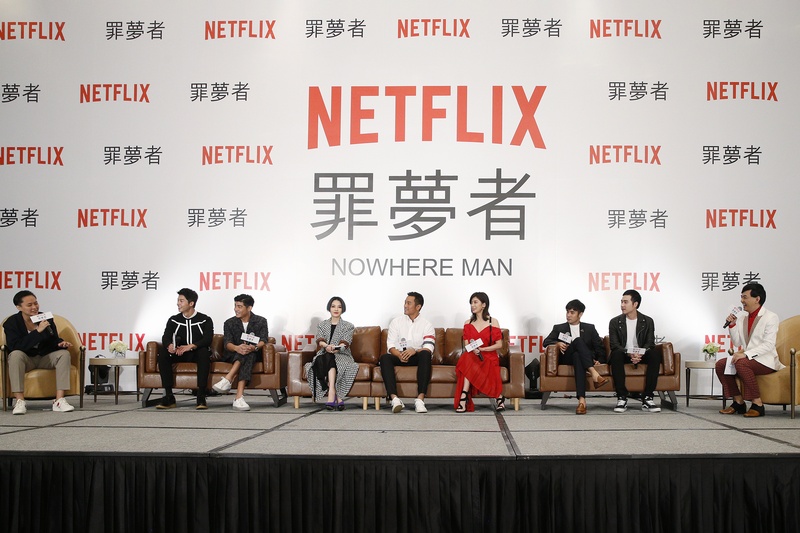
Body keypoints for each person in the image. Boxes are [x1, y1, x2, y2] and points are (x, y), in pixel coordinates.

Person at [715, 283, 783, 417]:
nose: (742, 301)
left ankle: (757, 404)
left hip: (765, 360)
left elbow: (769, 345)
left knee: (741, 363)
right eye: (741, 297)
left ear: (757, 299)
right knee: (721, 364)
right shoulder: (742, 318)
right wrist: (732, 325)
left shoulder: (770, 317)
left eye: (745, 297)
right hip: (748, 359)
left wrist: (746, 355)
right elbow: (737, 342)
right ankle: (738, 402)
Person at [3, 290, 75, 415]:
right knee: (15, 355)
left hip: (44, 357)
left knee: (64, 354)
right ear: (19, 307)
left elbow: (53, 339)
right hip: (26, 359)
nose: (34, 307)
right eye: (29, 305)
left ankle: (59, 400)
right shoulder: (11, 323)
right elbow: (16, 346)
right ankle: (20, 401)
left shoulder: (45, 318)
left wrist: (60, 343)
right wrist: (38, 332)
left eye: (36, 303)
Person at [542, 299, 607, 415]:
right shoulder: (559, 328)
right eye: (567, 312)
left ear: (580, 314)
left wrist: (599, 360)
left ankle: (582, 401)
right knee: (578, 341)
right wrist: (557, 343)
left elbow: (600, 348)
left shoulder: (590, 328)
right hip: (566, 358)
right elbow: (546, 342)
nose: (568, 315)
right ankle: (594, 373)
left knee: (578, 356)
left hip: (581, 360)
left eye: (572, 312)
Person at [156, 288, 214, 410]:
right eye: (178, 300)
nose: (178, 303)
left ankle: (201, 395)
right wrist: (169, 346)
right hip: (179, 352)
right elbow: (166, 337)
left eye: (181, 301)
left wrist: (191, 346)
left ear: (191, 303)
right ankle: (169, 395)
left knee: (204, 353)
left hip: (195, 352)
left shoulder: (205, 319)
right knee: (163, 354)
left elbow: (207, 339)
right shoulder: (173, 320)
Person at [380, 291, 436, 413]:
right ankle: (394, 399)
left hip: (417, 357)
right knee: (385, 358)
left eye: (409, 303)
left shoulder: (427, 325)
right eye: (405, 302)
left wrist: (414, 350)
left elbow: (428, 347)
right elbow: (391, 345)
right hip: (399, 355)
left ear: (418, 307)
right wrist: (399, 355)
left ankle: (420, 400)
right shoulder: (396, 322)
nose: (405, 305)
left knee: (425, 354)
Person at [213, 294, 269, 411]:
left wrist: (254, 347)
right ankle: (238, 398)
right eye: (235, 306)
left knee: (248, 353)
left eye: (239, 306)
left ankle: (228, 379)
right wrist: (237, 348)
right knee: (244, 352)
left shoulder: (261, 321)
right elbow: (227, 343)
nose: (236, 309)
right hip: (233, 353)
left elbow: (263, 340)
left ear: (249, 308)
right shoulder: (229, 322)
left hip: (254, 352)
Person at [608, 289, 661, 413]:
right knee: (616, 354)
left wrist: (639, 353)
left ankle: (647, 397)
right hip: (624, 354)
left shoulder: (648, 321)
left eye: (625, 302)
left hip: (641, 354)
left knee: (654, 354)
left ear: (635, 304)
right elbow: (614, 345)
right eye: (621, 302)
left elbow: (650, 343)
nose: (622, 305)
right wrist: (629, 353)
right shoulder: (615, 322)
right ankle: (621, 397)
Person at [454, 292, 505, 412]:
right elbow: (467, 345)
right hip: (473, 354)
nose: (472, 305)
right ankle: (465, 395)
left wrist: (483, 349)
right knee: (467, 357)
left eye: (475, 302)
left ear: (484, 305)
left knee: (469, 360)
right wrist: (474, 349)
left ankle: (464, 398)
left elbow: (499, 344)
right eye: (471, 303)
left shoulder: (493, 322)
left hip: (489, 355)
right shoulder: (468, 323)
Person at [304, 296, 358, 410]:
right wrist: (326, 346)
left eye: (339, 307)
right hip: (324, 353)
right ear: (329, 308)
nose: (336, 309)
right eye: (333, 306)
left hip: (342, 355)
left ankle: (331, 392)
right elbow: (320, 340)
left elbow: (345, 342)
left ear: (343, 309)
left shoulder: (348, 326)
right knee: (327, 356)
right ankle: (335, 394)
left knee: (331, 357)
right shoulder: (322, 325)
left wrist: (336, 348)